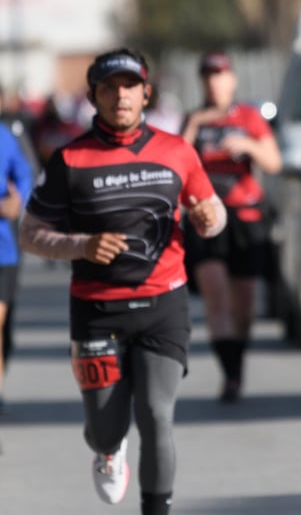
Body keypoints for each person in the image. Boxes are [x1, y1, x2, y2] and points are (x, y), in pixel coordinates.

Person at [18, 48, 226, 515]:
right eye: (109, 88)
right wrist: (81, 246)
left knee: (156, 415)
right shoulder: (69, 159)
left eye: (130, 86)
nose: (120, 96)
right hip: (96, 311)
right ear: (92, 96)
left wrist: (209, 218)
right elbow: (30, 234)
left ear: (146, 92)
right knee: (105, 428)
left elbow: (212, 215)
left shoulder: (177, 151)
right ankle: (109, 450)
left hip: (163, 305)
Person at [179, 51, 282, 403]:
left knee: (245, 304)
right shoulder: (194, 119)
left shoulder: (249, 117)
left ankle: (236, 364)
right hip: (207, 216)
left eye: (220, 75)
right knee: (216, 294)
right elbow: (179, 163)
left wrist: (249, 145)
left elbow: (274, 163)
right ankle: (230, 375)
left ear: (232, 79)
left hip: (245, 216)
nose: (214, 82)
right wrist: (195, 124)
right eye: (208, 76)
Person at [0, 119, 33, 411]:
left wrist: (17, 200)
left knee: (1, 322)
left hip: (3, 249)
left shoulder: (7, 137)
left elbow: (25, 174)